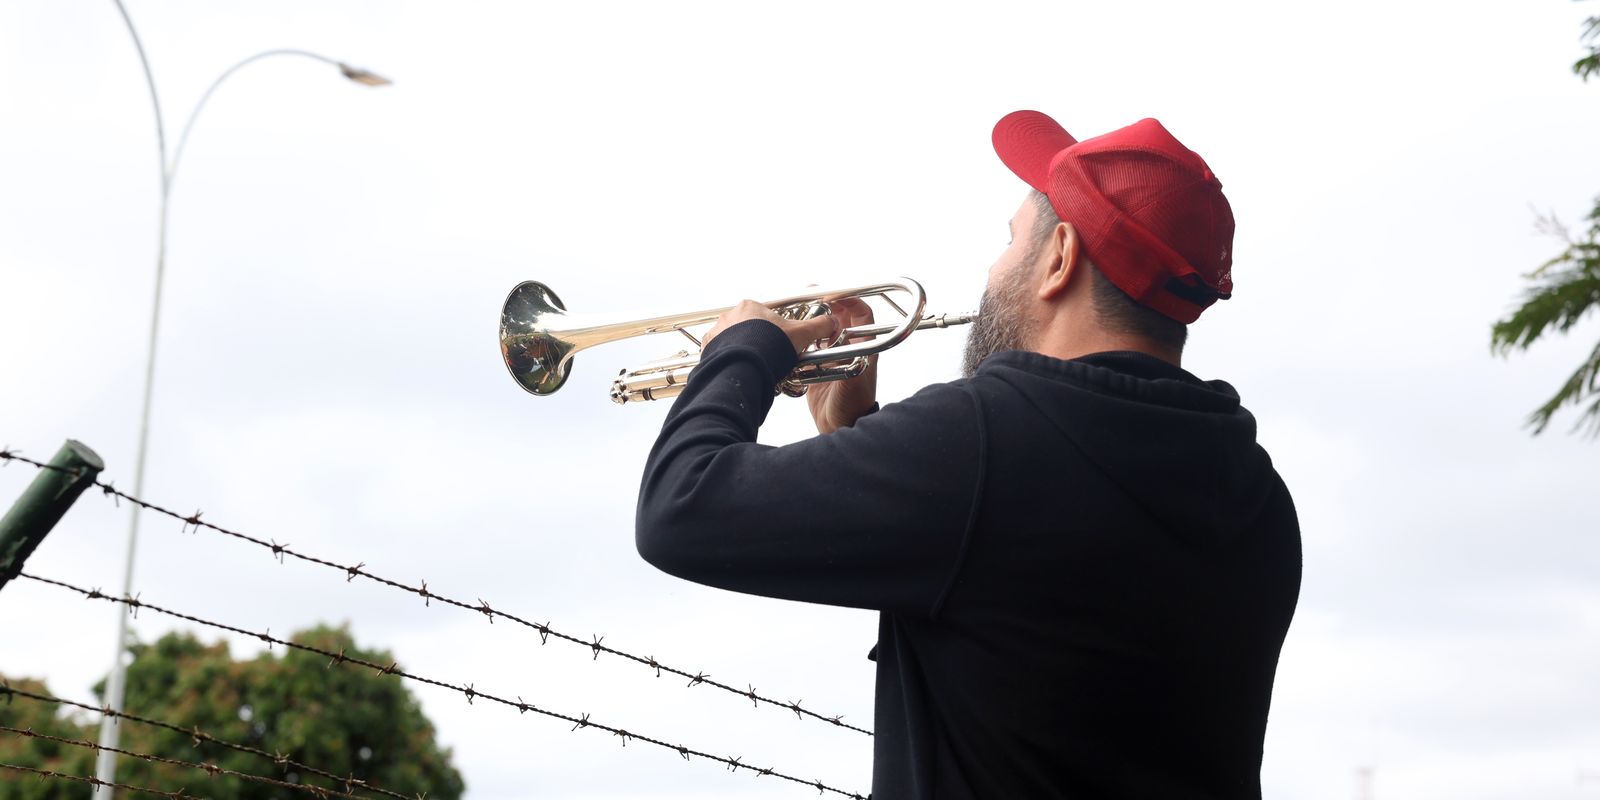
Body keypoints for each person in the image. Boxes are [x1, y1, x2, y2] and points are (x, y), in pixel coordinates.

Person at [635, 109, 1301, 799]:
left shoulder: (986, 438)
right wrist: (855, 432)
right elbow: (1017, 608)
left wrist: (743, 349)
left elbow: (681, 508)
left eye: (1010, 241)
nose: (993, 268)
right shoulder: (1256, 493)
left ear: (1059, 257)